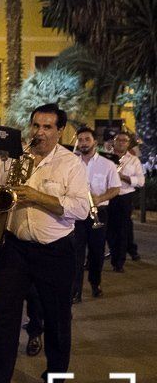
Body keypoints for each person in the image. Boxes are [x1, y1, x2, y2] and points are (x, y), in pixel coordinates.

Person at [0, 104, 89, 383]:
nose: (40, 133)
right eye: (36, 126)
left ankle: (54, 382)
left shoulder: (71, 163)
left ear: (60, 131)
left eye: (48, 127)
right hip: (16, 248)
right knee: (3, 318)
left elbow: (80, 208)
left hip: (56, 250)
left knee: (57, 319)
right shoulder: (15, 158)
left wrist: (38, 197)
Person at [72, 127, 120, 302]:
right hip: (77, 213)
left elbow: (116, 188)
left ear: (95, 142)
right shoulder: (72, 163)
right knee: (76, 253)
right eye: (81, 140)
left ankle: (95, 283)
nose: (83, 143)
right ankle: (75, 290)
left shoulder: (107, 164)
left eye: (87, 139)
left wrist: (100, 198)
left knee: (96, 251)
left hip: (99, 212)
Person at [107, 132, 144, 272]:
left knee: (122, 230)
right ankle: (113, 252)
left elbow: (141, 181)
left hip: (124, 197)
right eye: (118, 140)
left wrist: (123, 177)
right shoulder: (106, 158)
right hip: (109, 196)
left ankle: (119, 262)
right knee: (109, 229)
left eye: (125, 140)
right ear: (114, 142)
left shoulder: (134, 160)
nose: (121, 142)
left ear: (128, 143)